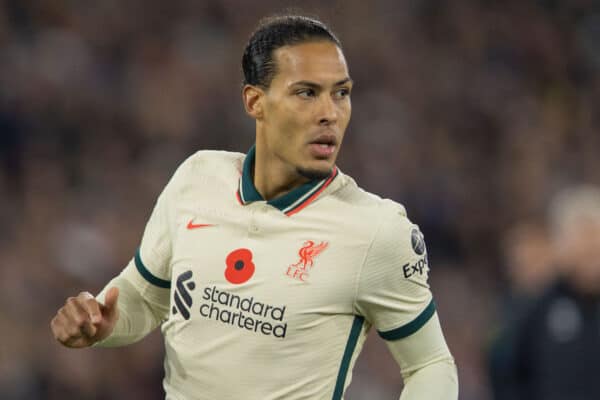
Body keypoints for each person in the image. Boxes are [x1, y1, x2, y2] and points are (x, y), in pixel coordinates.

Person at [50, 15, 458, 400]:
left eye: (341, 94)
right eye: (306, 93)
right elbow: (146, 295)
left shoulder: (376, 230)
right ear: (255, 101)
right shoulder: (197, 179)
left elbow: (431, 363)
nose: (329, 113)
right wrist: (101, 322)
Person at [497, 185, 600, 400]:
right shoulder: (535, 309)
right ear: (562, 244)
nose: (591, 246)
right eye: (582, 236)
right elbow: (508, 377)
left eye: (595, 235)